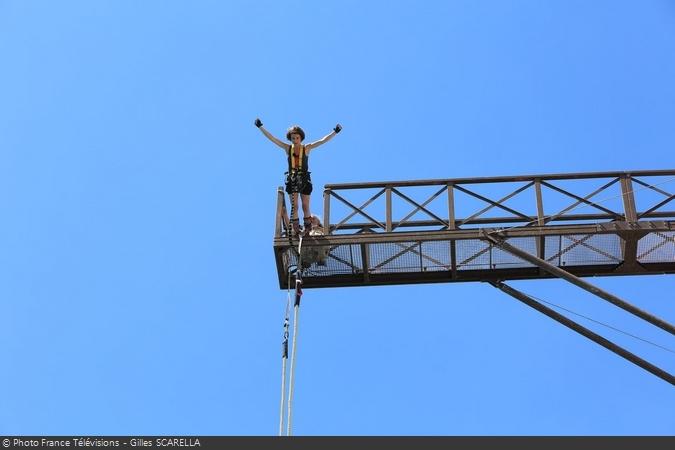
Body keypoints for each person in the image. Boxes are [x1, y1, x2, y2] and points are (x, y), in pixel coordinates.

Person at [255, 118, 341, 236]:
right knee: (295, 206)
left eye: (297, 138)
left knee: (305, 205)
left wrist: (334, 132)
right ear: (290, 139)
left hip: (304, 179)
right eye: (293, 138)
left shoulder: (307, 148)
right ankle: (296, 228)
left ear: (301, 138)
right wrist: (261, 127)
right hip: (292, 180)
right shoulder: (287, 148)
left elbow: (322, 141)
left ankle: (307, 228)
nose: (295, 140)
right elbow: (273, 139)